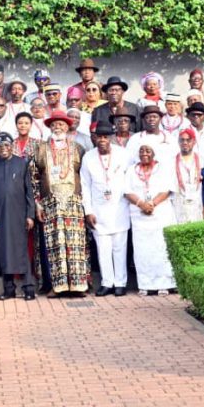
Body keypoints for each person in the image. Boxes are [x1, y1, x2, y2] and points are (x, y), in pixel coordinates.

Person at [33, 110, 88, 296]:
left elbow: (85, 176)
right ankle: (57, 286)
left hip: (73, 201)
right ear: (50, 127)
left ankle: (78, 286)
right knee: (54, 244)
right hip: (50, 201)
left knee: (75, 243)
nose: (58, 127)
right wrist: (37, 203)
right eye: (54, 124)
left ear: (67, 127)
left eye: (61, 124)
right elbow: (34, 177)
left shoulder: (78, 148)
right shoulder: (40, 148)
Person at [81, 122, 130, 296]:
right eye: (99, 137)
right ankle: (107, 282)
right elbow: (85, 185)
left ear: (111, 138)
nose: (102, 140)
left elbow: (130, 179)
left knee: (119, 247)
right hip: (98, 210)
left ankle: (120, 283)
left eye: (105, 137)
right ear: (94, 138)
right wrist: (88, 211)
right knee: (103, 249)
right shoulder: (88, 157)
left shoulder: (123, 154)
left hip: (119, 207)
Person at [0, 133, 36, 300]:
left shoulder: (21, 163)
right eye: (0, 146)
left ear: (12, 146)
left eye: (7, 145)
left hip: (19, 214)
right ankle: (9, 289)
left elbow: (29, 191)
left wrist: (30, 215)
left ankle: (28, 288)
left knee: (22, 250)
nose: (4, 149)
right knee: (4, 251)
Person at [123, 143, 178, 296]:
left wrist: (152, 204)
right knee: (143, 251)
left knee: (161, 249)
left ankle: (164, 284)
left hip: (160, 214)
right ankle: (145, 284)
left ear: (154, 153)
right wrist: (142, 204)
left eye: (148, 150)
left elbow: (167, 190)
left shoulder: (163, 168)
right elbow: (127, 191)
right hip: (140, 217)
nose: (144, 153)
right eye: (141, 150)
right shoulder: (131, 170)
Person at [173, 128, 204, 223]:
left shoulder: (202, 160)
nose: (185, 143)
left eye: (188, 140)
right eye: (182, 140)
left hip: (196, 204)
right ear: (178, 142)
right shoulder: (172, 161)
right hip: (179, 204)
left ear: (194, 142)